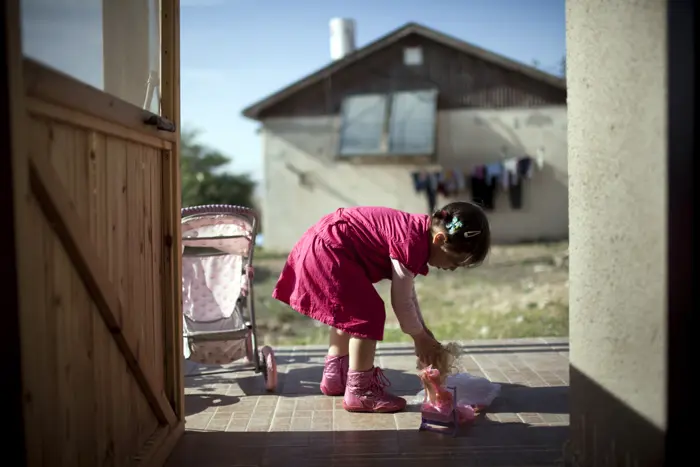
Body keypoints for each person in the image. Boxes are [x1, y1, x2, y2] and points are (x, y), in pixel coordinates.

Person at [272, 202, 491, 413]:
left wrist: (423, 332)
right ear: (439, 239)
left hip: (324, 245)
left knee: (348, 313)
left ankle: (334, 377)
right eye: (454, 261)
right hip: (330, 250)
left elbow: (407, 293)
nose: (452, 269)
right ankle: (360, 391)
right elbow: (401, 301)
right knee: (367, 314)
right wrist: (419, 337)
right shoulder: (411, 242)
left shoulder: (416, 234)